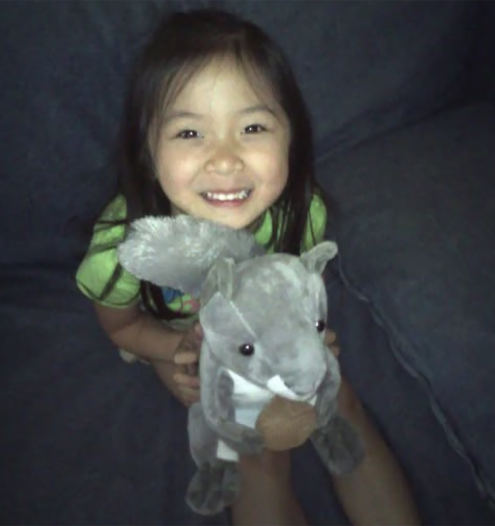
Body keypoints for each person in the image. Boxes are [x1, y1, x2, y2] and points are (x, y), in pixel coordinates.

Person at [76, 8, 420, 526]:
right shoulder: (125, 248)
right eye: (189, 133)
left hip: (266, 335)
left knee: (343, 407)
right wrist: (176, 354)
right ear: (148, 151)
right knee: (256, 454)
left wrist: (309, 334)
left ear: (291, 137)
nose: (225, 159)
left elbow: (299, 290)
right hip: (185, 345)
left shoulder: (300, 215)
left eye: (253, 127)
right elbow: (122, 327)